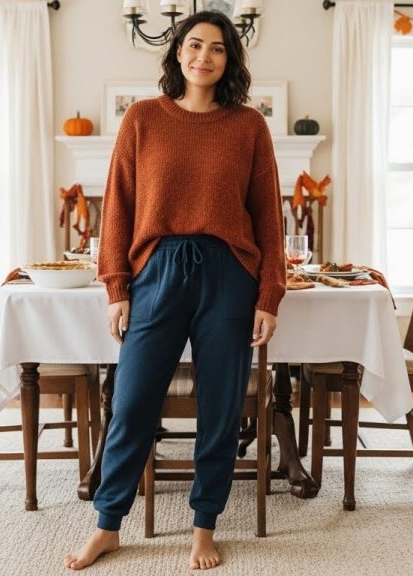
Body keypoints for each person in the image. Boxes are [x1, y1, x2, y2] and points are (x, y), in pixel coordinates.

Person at [64, 10, 285, 571]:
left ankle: (204, 527)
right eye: (194, 45)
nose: (203, 57)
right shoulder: (142, 119)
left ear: (229, 59)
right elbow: (118, 206)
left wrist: (268, 295)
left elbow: (268, 217)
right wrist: (116, 285)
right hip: (156, 272)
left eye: (216, 48)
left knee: (220, 407)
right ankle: (108, 524)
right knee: (133, 402)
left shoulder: (248, 126)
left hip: (229, 275)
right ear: (177, 53)